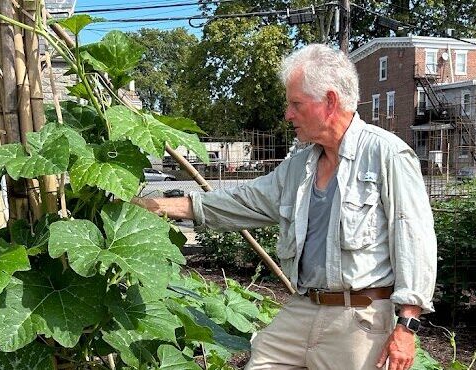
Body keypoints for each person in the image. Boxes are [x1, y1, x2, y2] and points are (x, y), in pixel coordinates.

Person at [135, 44, 436, 370]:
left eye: (296, 104)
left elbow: (413, 237)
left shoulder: (386, 154)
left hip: (359, 318)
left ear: (330, 102)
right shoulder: (300, 167)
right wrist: (158, 206)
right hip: (304, 307)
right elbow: (242, 201)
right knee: (260, 361)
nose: (288, 115)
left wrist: (407, 325)